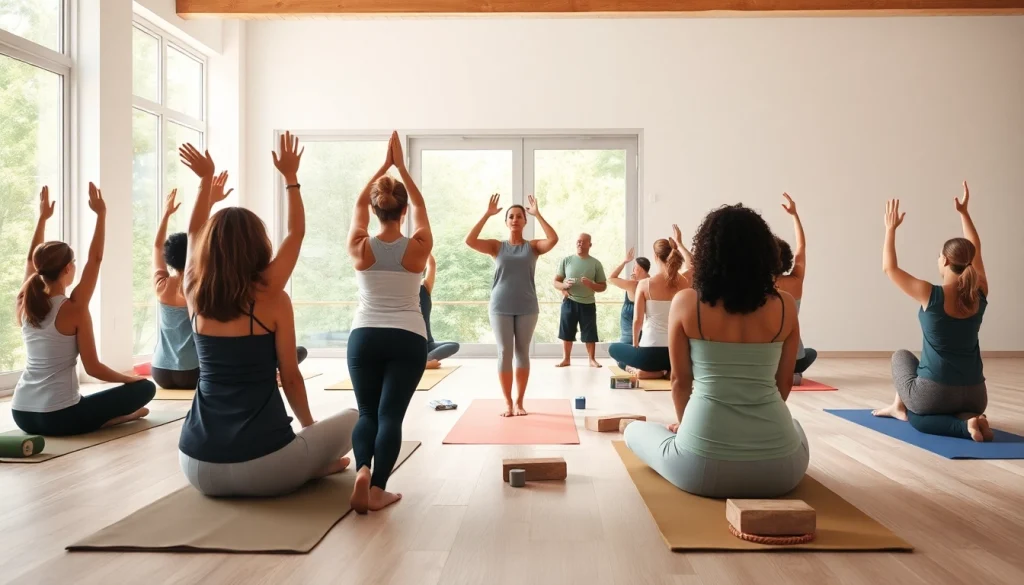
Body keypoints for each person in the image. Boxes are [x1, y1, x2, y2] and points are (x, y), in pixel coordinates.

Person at [176, 134, 358, 498]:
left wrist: (203, 184)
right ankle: (311, 466)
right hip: (264, 466)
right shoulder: (272, 299)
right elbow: (290, 378)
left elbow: (195, 233)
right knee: (355, 417)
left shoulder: (193, 291)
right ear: (258, 244)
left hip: (196, 465)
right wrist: (291, 178)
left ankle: (309, 464)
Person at [624, 204, 808, 498]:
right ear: (765, 253)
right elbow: (783, 384)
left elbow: (679, 382)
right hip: (782, 472)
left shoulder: (686, 302)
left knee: (633, 431)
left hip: (701, 469)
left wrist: (686, 427)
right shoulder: (785, 304)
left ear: (707, 252)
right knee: (794, 427)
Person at [12, 185, 156, 436]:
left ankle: (113, 419)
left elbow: (30, 261)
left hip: (21, 414)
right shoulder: (74, 308)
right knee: (146, 389)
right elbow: (93, 369)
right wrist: (101, 215)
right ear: (68, 268)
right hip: (59, 417)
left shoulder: (25, 300)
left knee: (100, 400)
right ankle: (116, 419)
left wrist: (42, 219)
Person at [151, 176, 308, 390]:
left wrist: (196, 194)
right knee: (293, 352)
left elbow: (162, 244)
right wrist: (291, 177)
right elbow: (296, 234)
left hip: (161, 372)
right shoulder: (263, 293)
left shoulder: (182, 288)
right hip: (196, 373)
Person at [346, 131, 432, 513]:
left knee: (367, 412)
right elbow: (422, 205)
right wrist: (402, 168)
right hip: (407, 337)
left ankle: (362, 469)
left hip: (364, 336)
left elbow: (357, 205)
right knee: (390, 416)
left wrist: (383, 166)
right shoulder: (417, 249)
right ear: (401, 210)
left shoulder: (360, 247)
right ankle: (378, 486)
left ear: (377, 209)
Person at [872, 184, 993, 442]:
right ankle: (973, 418)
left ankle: (962, 426)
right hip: (976, 394)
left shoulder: (931, 294)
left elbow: (889, 268)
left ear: (947, 261)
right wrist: (964, 213)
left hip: (936, 393)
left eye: (939, 256)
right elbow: (976, 248)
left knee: (903, 365)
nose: (938, 260)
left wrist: (889, 230)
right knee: (934, 393)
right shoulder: (979, 292)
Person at [466, 193, 558, 417]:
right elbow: (469, 240)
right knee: (504, 351)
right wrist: (487, 214)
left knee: (522, 352)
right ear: (506, 222)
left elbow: (553, 239)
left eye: (520, 216)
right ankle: (507, 403)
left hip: (527, 306)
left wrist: (539, 214)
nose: (515, 219)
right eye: (511, 217)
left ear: (525, 221)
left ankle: (519, 402)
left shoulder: (533, 247)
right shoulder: (497, 247)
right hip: (500, 306)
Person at [608, 229, 690, 379]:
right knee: (676, 362)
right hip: (677, 354)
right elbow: (693, 266)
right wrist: (679, 243)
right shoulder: (684, 282)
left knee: (613, 349)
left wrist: (635, 346)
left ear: (656, 256)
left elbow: (637, 321)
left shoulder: (645, 284)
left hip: (649, 355)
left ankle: (646, 371)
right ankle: (667, 371)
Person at [775, 193, 817, 378]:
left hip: (767, 357)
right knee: (810, 352)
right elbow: (801, 247)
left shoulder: (755, 283)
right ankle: (792, 372)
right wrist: (794, 215)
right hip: (795, 358)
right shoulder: (795, 282)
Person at [554, 233, 607, 368]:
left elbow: (603, 286)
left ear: (590, 245)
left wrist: (591, 285)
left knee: (590, 333)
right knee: (566, 331)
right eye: (578, 241)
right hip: (569, 302)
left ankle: (592, 360)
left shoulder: (596, 263)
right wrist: (564, 287)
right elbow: (556, 282)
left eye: (583, 242)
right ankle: (566, 359)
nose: (580, 244)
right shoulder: (566, 260)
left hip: (588, 303)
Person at [420, 254, 460, 369]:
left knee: (453, 345)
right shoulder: (402, 292)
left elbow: (431, 265)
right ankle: (421, 362)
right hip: (412, 342)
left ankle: (424, 361)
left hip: (428, 343)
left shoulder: (425, 287)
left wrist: (425, 248)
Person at [606, 247, 651, 349]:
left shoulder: (633, 284)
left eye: (635, 267)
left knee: (622, 350)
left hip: (630, 326)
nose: (633, 269)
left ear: (639, 269)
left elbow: (612, 278)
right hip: (646, 325)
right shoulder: (651, 282)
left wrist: (625, 262)